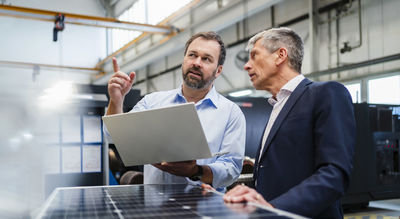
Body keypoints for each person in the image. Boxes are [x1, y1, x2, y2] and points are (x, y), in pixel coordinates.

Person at [223, 27, 356, 218]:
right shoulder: (277, 106)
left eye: (254, 56)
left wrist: (275, 208)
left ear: (280, 56)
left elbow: (334, 174)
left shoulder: (326, 93)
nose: (246, 65)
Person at [106, 31, 246, 191]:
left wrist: (197, 171)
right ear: (184, 60)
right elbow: (113, 136)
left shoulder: (230, 113)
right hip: (154, 207)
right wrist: (116, 100)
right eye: (192, 55)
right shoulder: (152, 102)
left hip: (204, 209)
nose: (197, 63)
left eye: (206, 59)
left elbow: (232, 168)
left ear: (218, 70)